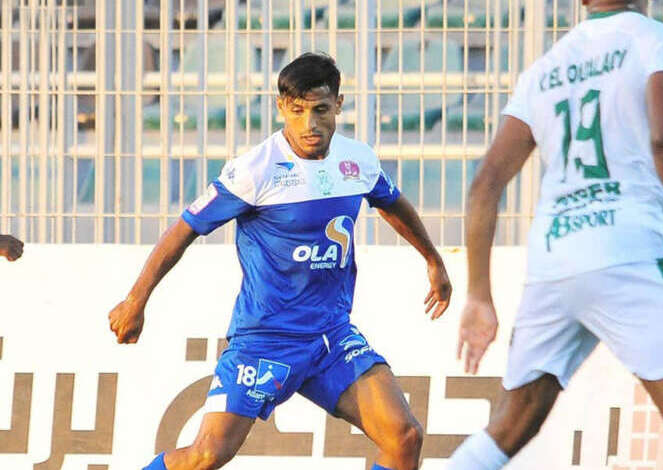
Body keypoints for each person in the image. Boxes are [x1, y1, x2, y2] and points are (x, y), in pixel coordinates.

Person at [108, 52, 452, 470]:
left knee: (404, 437)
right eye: (297, 111)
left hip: (331, 337)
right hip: (266, 339)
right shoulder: (254, 171)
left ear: (338, 105)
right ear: (281, 108)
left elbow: (391, 202)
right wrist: (135, 300)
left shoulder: (357, 160)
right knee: (205, 455)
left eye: (320, 110)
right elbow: (184, 229)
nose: (309, 124)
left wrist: (433, 260)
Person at [448, 1, 663, 470]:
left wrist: (478, 294)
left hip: (552, 263)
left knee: (511, 425)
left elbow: (485, 183)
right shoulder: (659, 41)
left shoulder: (544, 69)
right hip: (625, 254)